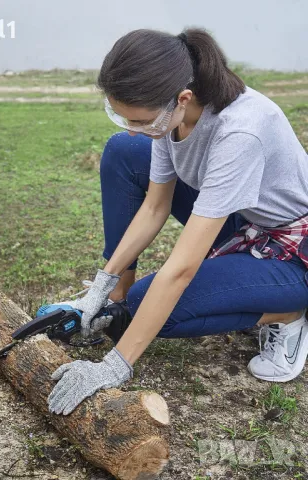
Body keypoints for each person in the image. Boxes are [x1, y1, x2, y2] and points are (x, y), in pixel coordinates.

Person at [48, 28, 308, 416]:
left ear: (182, 98)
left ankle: (288, 313)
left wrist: (114, 366)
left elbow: (182, 268)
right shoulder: (174, 114)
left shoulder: (240, 132)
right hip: (245, 220)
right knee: (125, 151)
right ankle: (115, 299)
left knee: (155, 310)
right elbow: (155, 207)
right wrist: (101, 287)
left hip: (292, 252)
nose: (136, 127)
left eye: (140, 119)